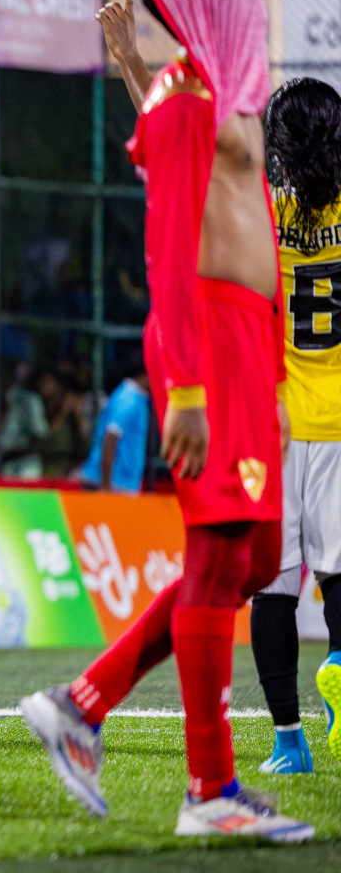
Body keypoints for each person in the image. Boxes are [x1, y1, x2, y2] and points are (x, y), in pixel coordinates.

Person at [21, 0, 310, 842]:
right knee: (224, 556)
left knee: (254, 563)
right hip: (206, 351)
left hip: (248, 357)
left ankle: (82, 702)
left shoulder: (211, 95)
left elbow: (186, 168)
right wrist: (183, 385)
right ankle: (210, 789)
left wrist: (271, 380)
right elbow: (171, 246)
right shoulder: (192, 97)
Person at [250, 77, 341, 774]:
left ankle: (289, 742)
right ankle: (338, 665)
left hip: (273, 425)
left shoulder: (261, 208)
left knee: (273, 588)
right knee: (339, 577)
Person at [79, 364, 152, 494]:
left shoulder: (135, 397)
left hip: (119, 484)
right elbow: (110, 437)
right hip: (113, 485)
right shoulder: (129, 399)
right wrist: (106, 486)